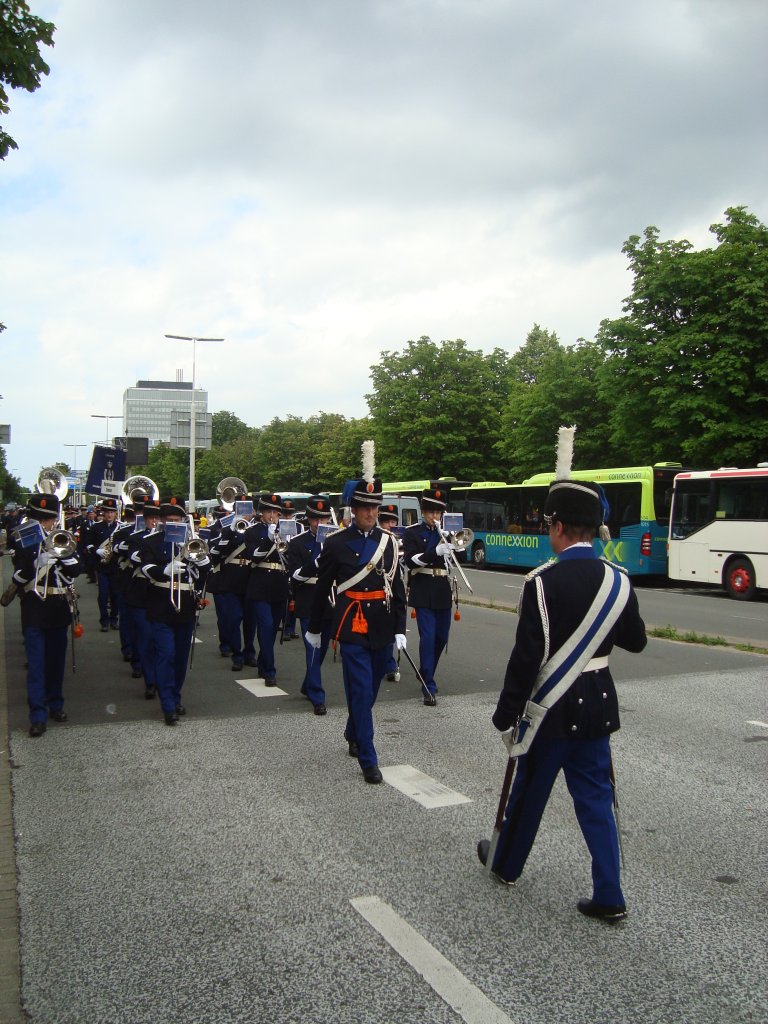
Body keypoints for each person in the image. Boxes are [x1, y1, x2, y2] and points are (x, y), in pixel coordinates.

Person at [477, 473, 647, 922]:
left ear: (557, 527)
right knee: (596, 800)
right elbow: (637, 641)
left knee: (529, 791)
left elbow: (526, 657)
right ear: (592, 529)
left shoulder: (540, 583)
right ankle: (609, 894)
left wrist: (506, 712)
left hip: (551, 710)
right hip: (597, 703)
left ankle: (507, 865)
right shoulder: (618, 580)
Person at [306, 459, 406, 784]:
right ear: (353, 508)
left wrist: (401, 629)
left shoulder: (389, 542)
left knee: (372, 688)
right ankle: (369, 758)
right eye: (364, 507)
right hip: (351, 625)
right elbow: (322, 588)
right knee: (361, 691)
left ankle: (353, 730)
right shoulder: (335, 543)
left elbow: (398, 587)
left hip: (382, 626)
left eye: (375, 508)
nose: (370, 514)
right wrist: (315, 628)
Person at [10, 493, 81, 737]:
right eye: (40, 519)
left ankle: (56, 704)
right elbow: (17, 577)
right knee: (37, 664)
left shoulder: (65, 539)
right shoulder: (23, 540)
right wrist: (37, 563)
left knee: (55, 661)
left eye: (48, 520)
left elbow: (76, 571)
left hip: (58, 605)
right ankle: (37, 715)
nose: (44, 525)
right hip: (33, 605)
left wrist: (62, 556)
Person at [139, 496, 210, 725]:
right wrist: (165, 570)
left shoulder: (190, 542)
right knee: (166, 654)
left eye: (177, 519)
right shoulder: (151, 541)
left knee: (180, 658)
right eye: (169, 519)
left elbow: (206, 572)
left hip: (186, 604)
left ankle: (175, 696)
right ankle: (168, 704)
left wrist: (202, 562)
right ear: (161, 521)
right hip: (161, 603)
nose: (174, 523)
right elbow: (146, 568)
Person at [402, 485, 454, 706]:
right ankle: (428, 684)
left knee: (442, 637)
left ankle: (425, 670)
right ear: (423, 512)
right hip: (423, 587)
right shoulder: (413, 532)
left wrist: (454, 547)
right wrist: (435, 551)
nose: (435, 517)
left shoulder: (447, 533)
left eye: (438, 512)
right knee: (429, 637)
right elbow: (410, 561)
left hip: (442, 587)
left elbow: (453, 562)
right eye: (431, 512)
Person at [284, 495, 335, 715]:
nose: (320, 523)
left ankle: (308, 683)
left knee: (322, 648)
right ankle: (317, 695)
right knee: (312, 648)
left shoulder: (337, 540)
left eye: (324, 519)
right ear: (309, 519)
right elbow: (294, 576)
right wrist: (316, 563)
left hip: (331, 599)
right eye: (316, 519)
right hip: (308, 599)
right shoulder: (297, 543)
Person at [241, 494, 289, 685]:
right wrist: (269, 540)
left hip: (279, 584)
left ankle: (263, 663)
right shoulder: (251, 532)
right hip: (259, 584)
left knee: (271, 630)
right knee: (266, 626)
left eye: (275, 512)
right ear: (261, 512)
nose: (272, 516)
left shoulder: (287, 530)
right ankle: (270, 671)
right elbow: (254, 557)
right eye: (268, 511)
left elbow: (291, 556)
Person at [88, 497, 121, 631]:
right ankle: (104, 621)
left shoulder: (120, 528)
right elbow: (88, 544)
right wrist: (97, 550)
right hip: (102, 567)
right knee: (102, 595)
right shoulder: (96, 528)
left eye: (112, 512)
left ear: (115, 513)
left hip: (116, 567)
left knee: (115, 595)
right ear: (103, 513)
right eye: (107, 512)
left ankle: (114, 619)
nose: (109, 514)